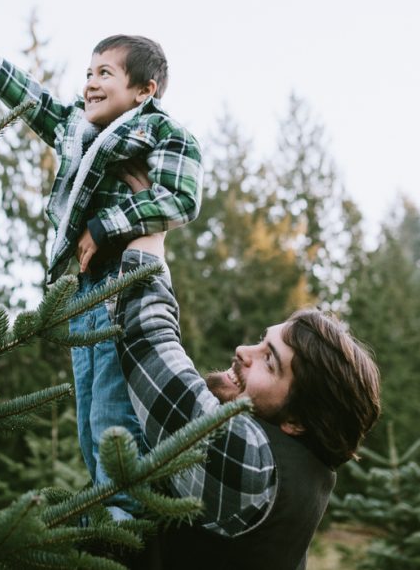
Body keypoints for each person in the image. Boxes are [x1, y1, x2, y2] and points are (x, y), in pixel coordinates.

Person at [0, 0, 203, 519]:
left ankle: (126, 530)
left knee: (115, 417)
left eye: (105, 73)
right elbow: (18, 88)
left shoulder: (163, 132)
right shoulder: (76, 130)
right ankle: (105, 522)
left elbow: (180, 198)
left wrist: (104, 226)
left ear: (145, 89)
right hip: (84, 293)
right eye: (88, 73)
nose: (90, 82)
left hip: (127, 284)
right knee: (91, 421)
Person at [113, 197, 380, 568]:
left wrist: (152, 221)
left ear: (298, 421)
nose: (242, 351)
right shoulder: (301, 477)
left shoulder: (252, 468)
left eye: (269, 361)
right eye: (260, 340)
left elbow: (147, 339)